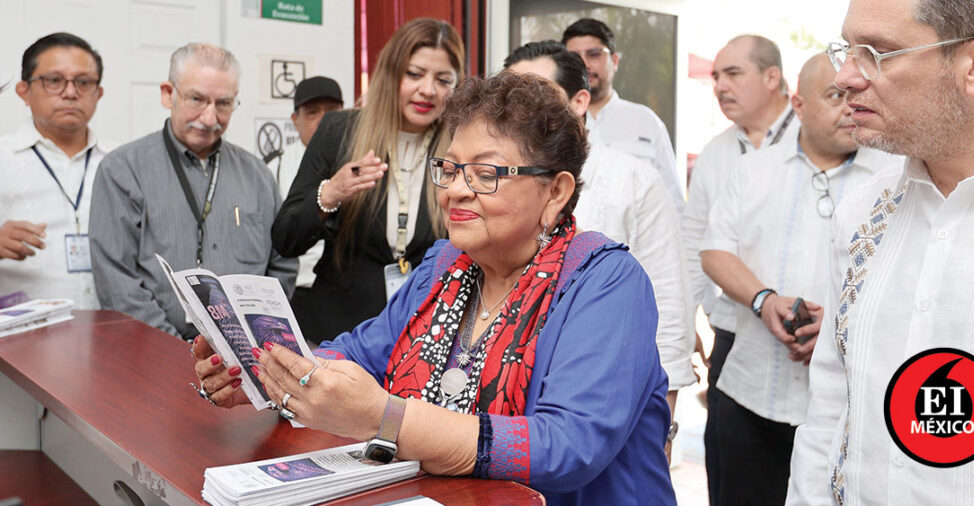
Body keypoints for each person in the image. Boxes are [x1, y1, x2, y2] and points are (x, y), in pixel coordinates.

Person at [192, 71, 677, 504]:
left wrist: (385, 418)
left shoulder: (605, 281)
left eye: (485, 174)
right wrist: (266, 373)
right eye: (449, 169)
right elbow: (360, 353)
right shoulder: (445, 263)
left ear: (556, 192)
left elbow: (568, 446)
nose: (455, 190)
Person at [786, 0, 974, 504]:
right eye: (848, 50)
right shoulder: (861, 214)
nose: (846, 77)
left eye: (877, 53)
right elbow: (830, 410)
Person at [699, 54, 899, 505]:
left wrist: (840, 325)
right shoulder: (754, 170)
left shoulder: (893, 178)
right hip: (749, 393)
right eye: (835, 96)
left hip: (847, 409)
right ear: (800, 105)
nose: (850, 107)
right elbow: (714, 250)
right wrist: (763, 300)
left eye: (856, 94)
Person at [503, 39, 695, 455]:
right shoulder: (496, 180)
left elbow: (668, 302)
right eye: (511, 99)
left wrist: (664, 425)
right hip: (506, 405)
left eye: (537, 95)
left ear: (579, 102)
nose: (521, 112)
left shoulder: (634, 180)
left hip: (610, 400)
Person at [272, 18, 463, 344]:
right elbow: (286, 238)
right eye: (414, 74)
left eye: (443, 79)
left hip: (425, 337)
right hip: (339, 334)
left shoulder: (461, 144)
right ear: (390, 74)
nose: (428, 90)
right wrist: (330, 194)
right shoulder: (339, 131)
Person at [90, 43, 296, 340]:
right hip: (154, 352)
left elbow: (282, 264)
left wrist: (253, 337)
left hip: (246, 355)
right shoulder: (123, 170)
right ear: (167, 94)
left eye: (223, 104)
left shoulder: (257, 175)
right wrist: (177, 351)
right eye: (197, 99)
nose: (210, 118)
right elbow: (116, 281)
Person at [680, 33, 798, 504]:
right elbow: (695, 242)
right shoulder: (716, 153)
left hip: (806, 339)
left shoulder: (817, 139)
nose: (720, 86)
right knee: (733, 476)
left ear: (772, 77)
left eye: (733, 73)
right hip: (731, 335)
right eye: (715, 77)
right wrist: (689, 321)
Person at [0, 32, 110, 309]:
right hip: (19, 328)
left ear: (99, 93)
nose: (70, 93)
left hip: (110, 325)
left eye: (83, 82)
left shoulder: (121, 162)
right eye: (54, 81)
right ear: (24, 91)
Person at [562, 18, 683, 205]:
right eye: (574, 57)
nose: (584, 64)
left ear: (615, 61)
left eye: (594, 54)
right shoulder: (556, 122)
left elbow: (672, 199)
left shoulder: (646, 122)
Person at [280, 76, 344, 317]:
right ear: (295, 120)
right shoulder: (274, 167)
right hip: (292, 292)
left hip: (343, 296)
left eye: (332, 111)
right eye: (312, 113)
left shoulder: (363, 164)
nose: (324, 121)